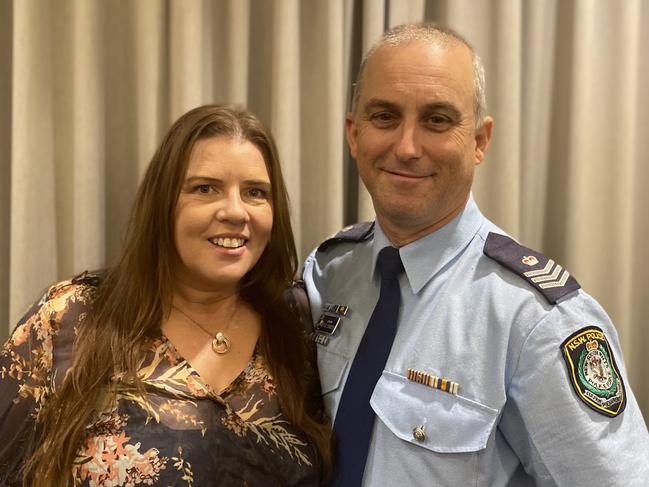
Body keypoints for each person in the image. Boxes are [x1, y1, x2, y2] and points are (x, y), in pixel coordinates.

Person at [303, 23, 649, 486]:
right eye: (384, 117)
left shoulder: (536, 320)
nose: (406, 147)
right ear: (353, 133)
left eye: (437, 120)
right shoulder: (328, 272)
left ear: (480, 140)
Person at [0, 105, 330, 486]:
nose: (235, 212)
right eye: (205, 188)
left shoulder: (297, 324)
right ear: (163, 203)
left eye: (255, 192)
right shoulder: (71, 317)